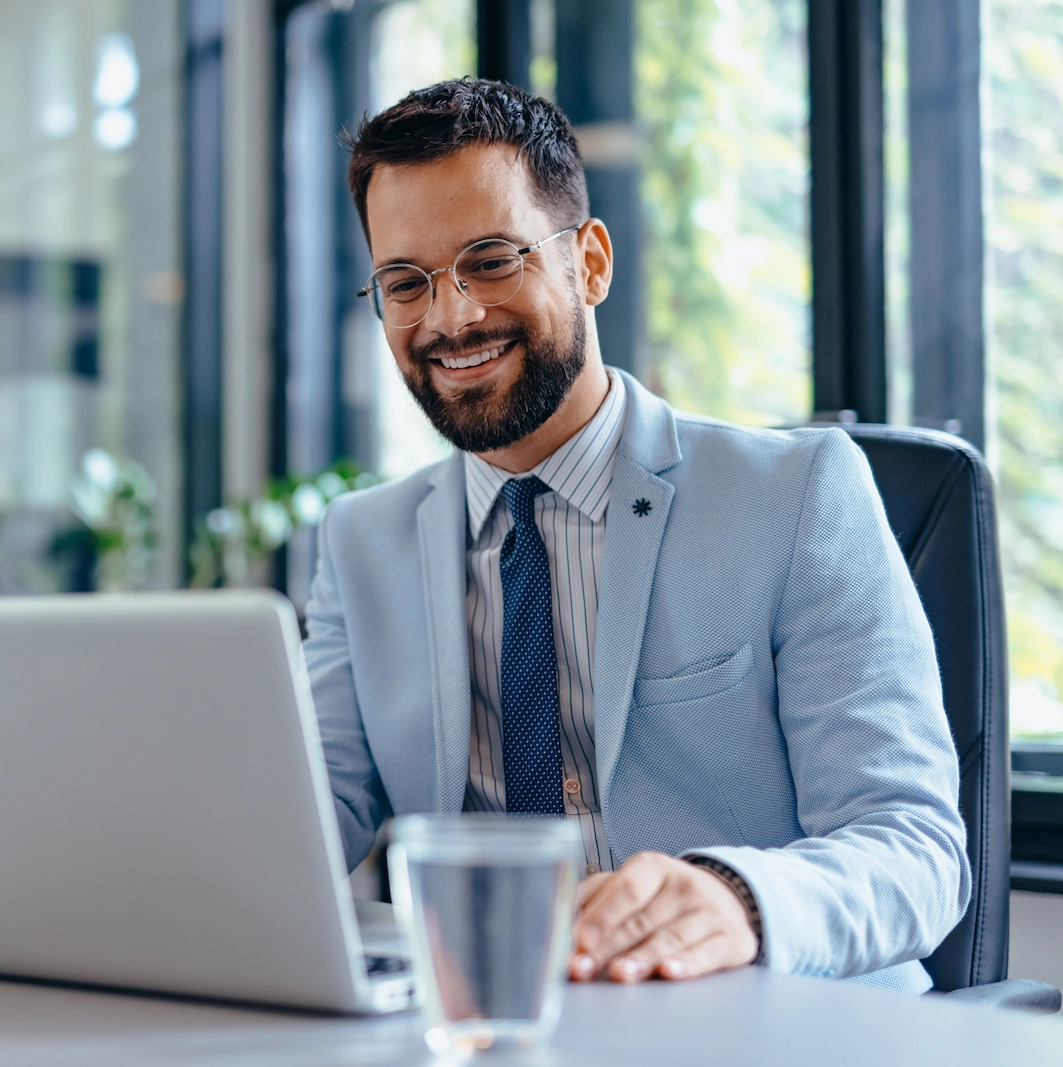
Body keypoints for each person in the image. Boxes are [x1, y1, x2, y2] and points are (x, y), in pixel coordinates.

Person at [306, 79, 968, 993]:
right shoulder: (357, 543)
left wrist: (737, 898)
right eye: (405, 283)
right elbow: (302, 818)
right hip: (494, 1024)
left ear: (591, 263)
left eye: (491, 260)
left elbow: (917, 850)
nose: (450, 317)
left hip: (769, 1029)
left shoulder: (799, 494)